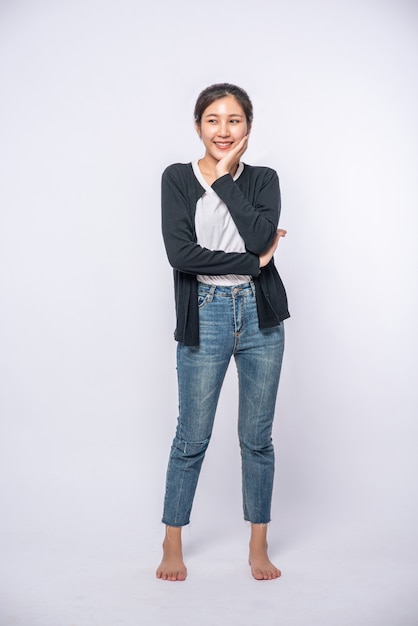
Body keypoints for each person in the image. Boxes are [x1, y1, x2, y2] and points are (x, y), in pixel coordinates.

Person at [156, 83, 289, 581]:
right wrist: (254, 262)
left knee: (256, 438)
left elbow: (257, 232)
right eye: (213, 120)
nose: (223, 129)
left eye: (234, 120)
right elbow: (181, 255)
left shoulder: (263, 179)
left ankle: (259, 544)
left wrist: (226, 178)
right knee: (191, 437)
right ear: (198, 127)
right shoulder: (175, 178)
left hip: (260, 316)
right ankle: (172, 543)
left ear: (247, 130)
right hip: (205, 310)